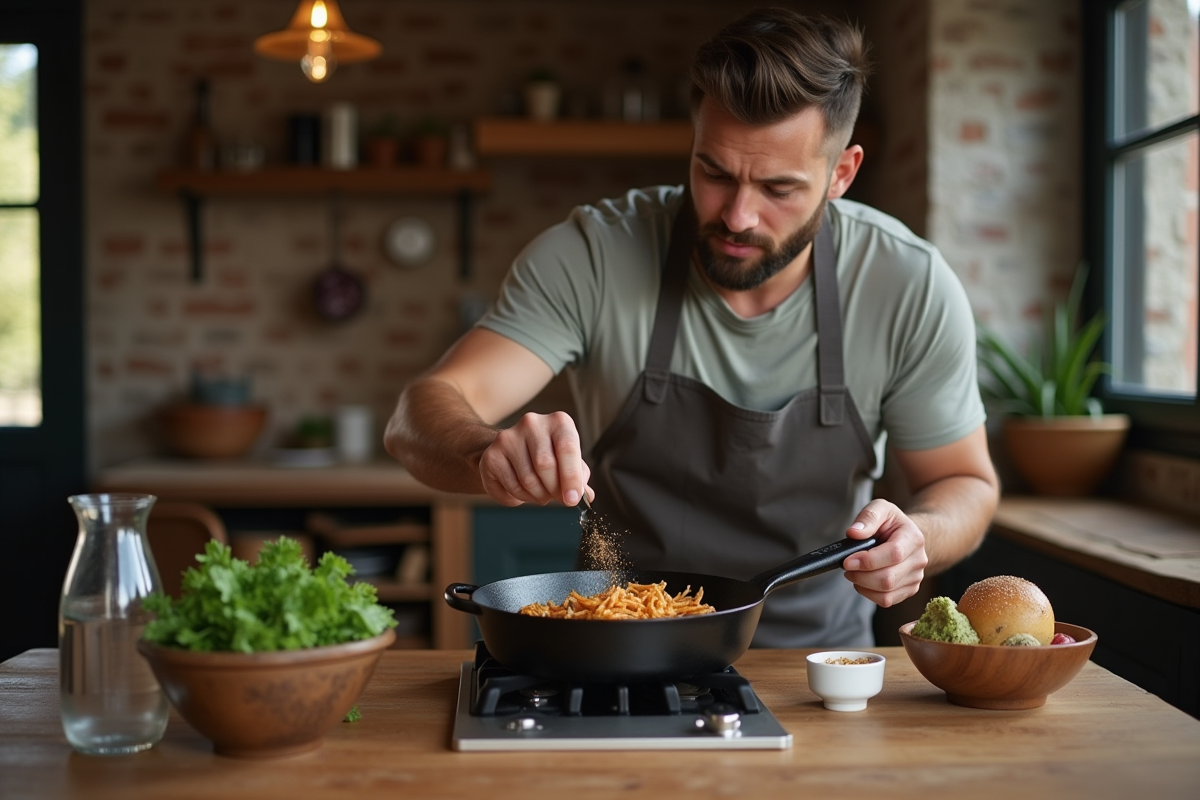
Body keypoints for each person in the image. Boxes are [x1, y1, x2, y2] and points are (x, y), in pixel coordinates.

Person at [385, 7, 1000, 647]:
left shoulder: (906, 283)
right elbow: (418, 416)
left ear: (841, 173)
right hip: (622, 647)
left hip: (817, 667)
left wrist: (917, 536)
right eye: (714, 173)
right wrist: (487, 454)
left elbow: (965, 482)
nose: (737, 215)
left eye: (778, 188)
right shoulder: (593, 254)